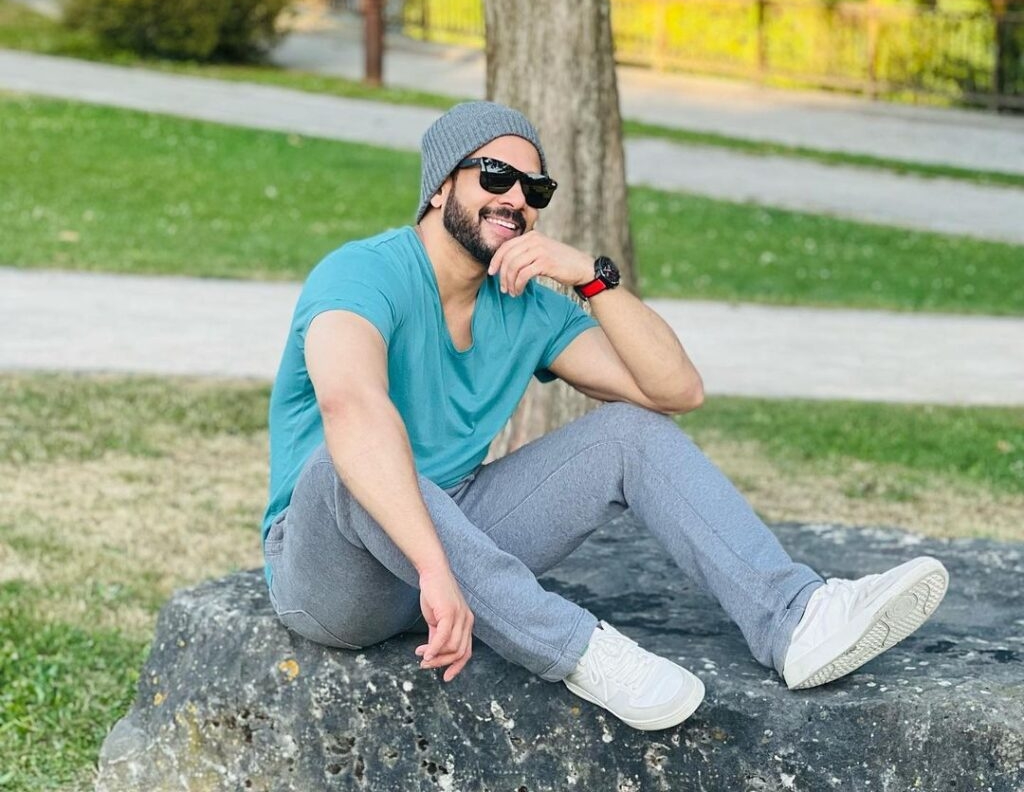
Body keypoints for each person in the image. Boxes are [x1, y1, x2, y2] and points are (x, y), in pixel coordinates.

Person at [262, 100, 949, 731]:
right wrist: (437, 569)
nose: (515, 201)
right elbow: (351, 406)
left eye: (535, 191)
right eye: (495, 177)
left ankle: (795, 621)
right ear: (441, 185)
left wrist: (590, 275)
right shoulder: (362, 273)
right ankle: (582, 651)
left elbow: (674, 391)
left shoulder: (527, 304)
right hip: (335, 573)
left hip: (456, 534)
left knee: (631, 431)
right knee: (343, 456)